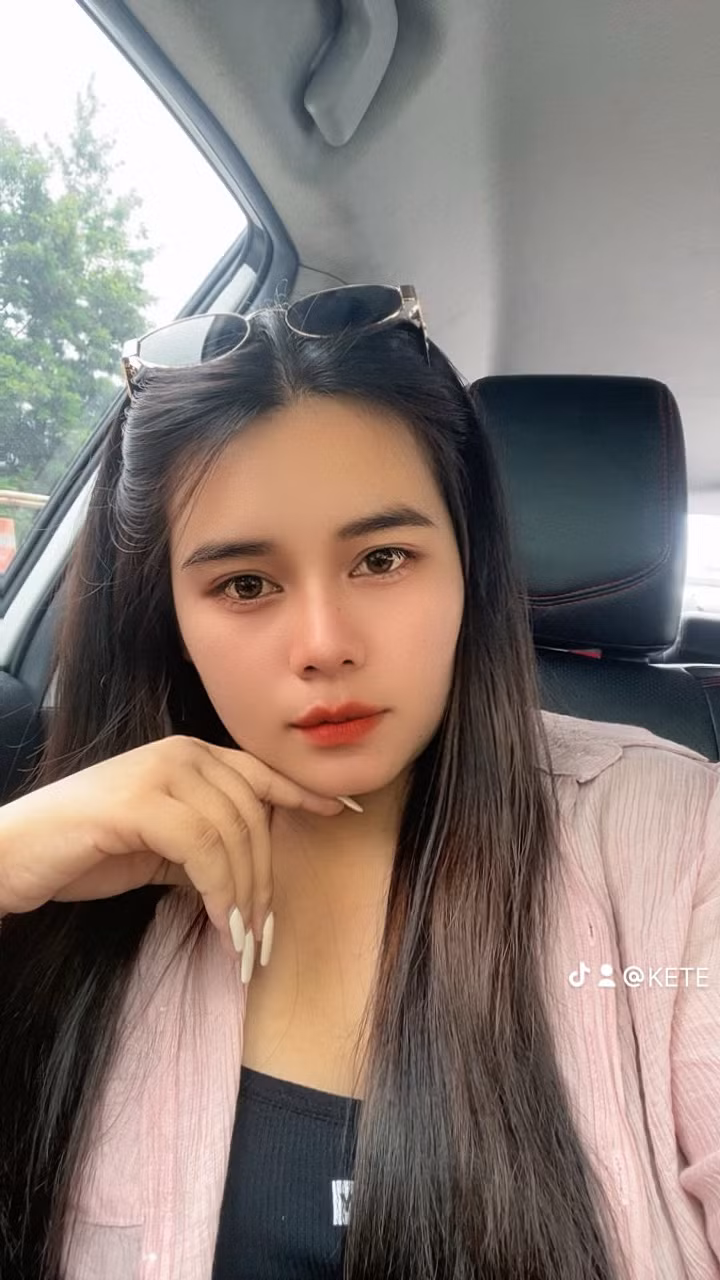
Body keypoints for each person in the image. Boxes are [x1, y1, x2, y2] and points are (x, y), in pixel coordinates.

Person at [0, 285, 717, 1280]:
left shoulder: (681, 840)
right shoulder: (81, 873)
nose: (324, 644)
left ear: (469, 564)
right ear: (169, 615)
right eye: (244, 583)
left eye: (382, 558)